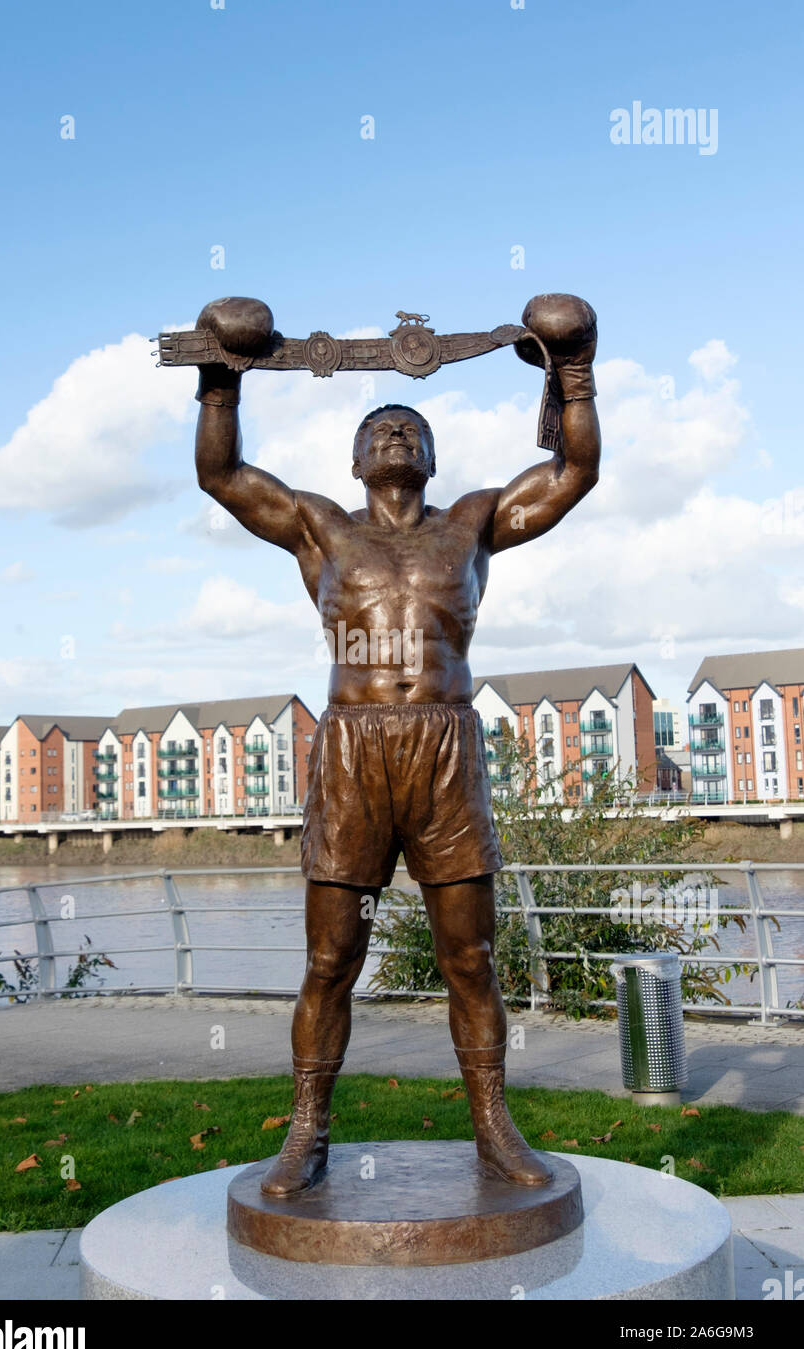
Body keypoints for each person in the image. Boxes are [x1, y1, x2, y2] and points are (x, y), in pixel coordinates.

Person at [194, 293, 601, 1195]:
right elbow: (222, 477)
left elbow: (575, 472)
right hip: (354, 752)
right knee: (332, 958)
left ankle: (494, 1128)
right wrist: (220, 378)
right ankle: (306, 1131)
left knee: (469, 957)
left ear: (430, 455)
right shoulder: (318, 527)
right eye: (378, 427)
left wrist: (574, 371)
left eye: (409, 426)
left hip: (445, 751)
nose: (394, 436)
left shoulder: (473, 523)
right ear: (354, 457)